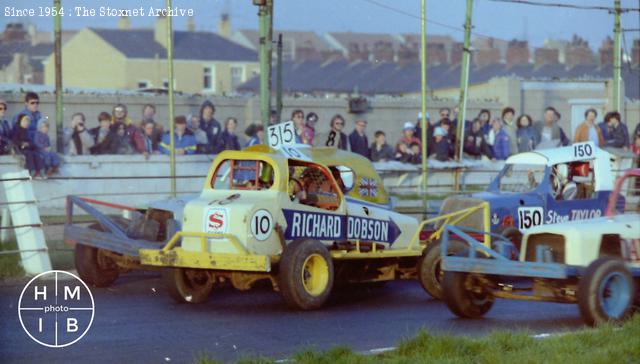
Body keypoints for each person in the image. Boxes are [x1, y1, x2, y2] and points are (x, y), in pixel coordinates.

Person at [12, 114, 45, 178]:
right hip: (19, 149)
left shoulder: (26, 131)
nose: (26, 123)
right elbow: (14, 140)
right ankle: (32, 170)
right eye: (24, 121)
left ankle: (41, 170)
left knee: (36, 154)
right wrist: (22, 143)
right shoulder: (16, 130)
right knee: (29, 154)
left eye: (27, 121)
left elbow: (30, 141)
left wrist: (29, 144)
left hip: (27, 148)